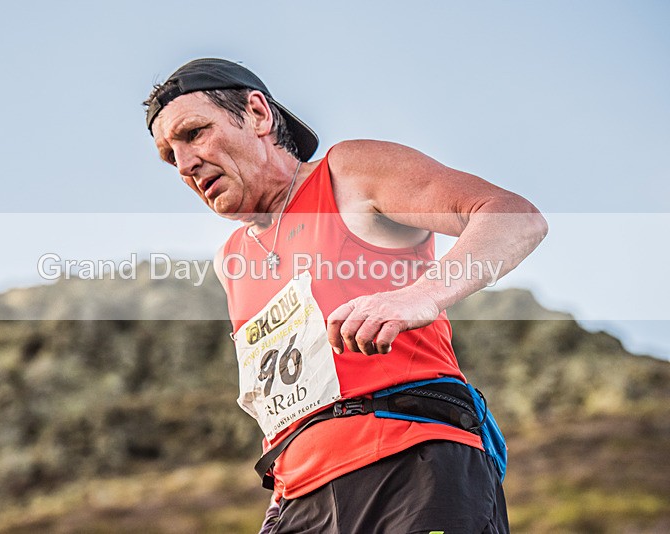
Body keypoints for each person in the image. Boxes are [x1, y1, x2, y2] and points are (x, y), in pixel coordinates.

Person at [144, 58, 547, 533]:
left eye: (194, 133)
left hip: (412, 464)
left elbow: (514, 217)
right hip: (299, 503)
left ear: (257, 114)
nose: (186, 165)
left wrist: (422, 295)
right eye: (171, 156)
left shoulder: (347, 172)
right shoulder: (229, 260)